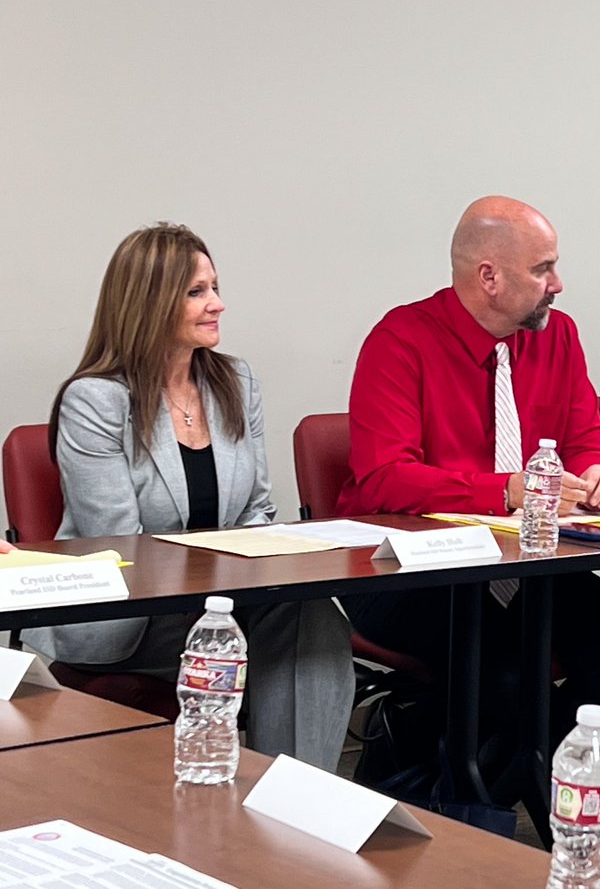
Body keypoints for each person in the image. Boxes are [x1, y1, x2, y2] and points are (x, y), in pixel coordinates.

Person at [336, 196, 600, 761]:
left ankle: (502, 780)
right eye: (543, 269)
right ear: (488, 277)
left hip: (532, 565)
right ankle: (464, 782)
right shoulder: (400, 340)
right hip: (414, 571)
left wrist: (597, 473)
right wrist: (506, 491)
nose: (558, 283)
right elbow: (384, 478)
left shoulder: (558, 335)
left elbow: (586, 435)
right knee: (507, 679)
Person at [21, 224, 354, 770]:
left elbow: (255, 512)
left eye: (215, 287)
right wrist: (231, 575)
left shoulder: (235, 380)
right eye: (197, 292)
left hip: (223, 603)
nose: (218, 304)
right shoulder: (96, 400)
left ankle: (292, 807)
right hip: (129, 619)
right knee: (285, 631)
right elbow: (122, 546)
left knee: (310, 614)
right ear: (148, 302)